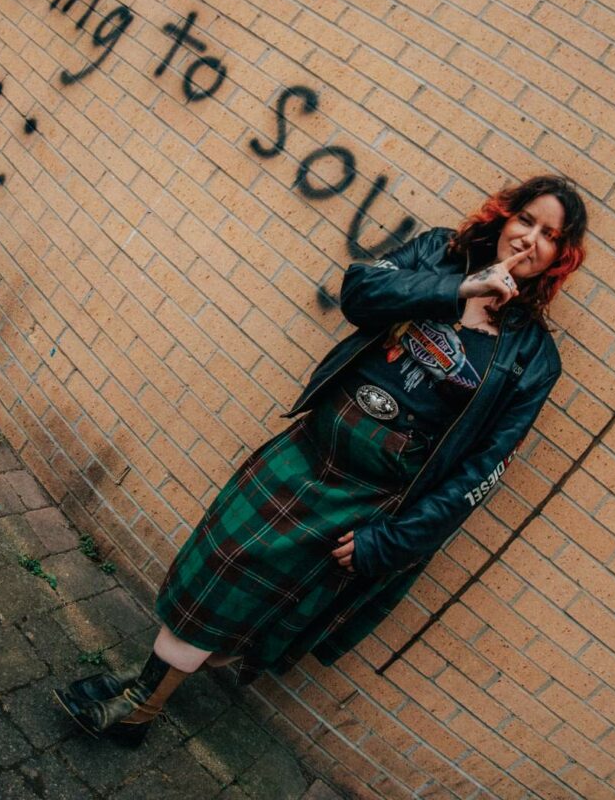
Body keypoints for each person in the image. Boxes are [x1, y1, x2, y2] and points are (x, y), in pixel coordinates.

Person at [54, 173, 587, 745]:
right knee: (217, 572)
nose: (530, 238)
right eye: (526, 220)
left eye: (549, 235)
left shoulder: (534, 360)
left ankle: (140, 703)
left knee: (257, 607)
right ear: (505, 218)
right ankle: (142, 697)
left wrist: (393, 542)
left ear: (560, 256)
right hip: (308, 453)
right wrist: (456, 291)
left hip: (365, 505)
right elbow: (359, 291)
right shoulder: (439, 252)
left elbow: (483, 469)